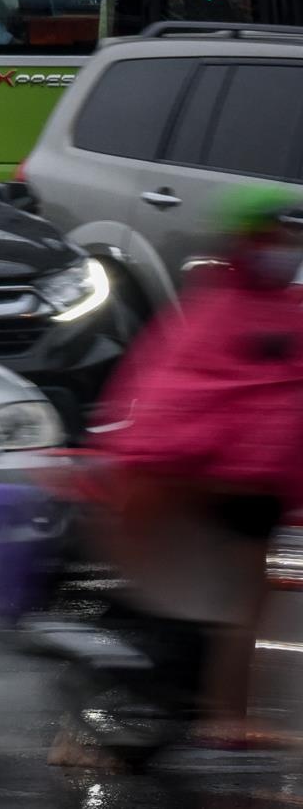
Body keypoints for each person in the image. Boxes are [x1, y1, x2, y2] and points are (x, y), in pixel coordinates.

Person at [81, 183, 303, 755]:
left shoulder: (286, 314)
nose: (287, 250)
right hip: (193, 487)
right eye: (277, 238)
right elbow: (174, 401)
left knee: (244, 615)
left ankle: (226, 716)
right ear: (246, 241)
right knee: (161, 618)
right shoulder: (210, 314)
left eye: (294, 239)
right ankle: (88, 730)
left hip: (254, 488)